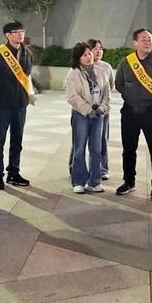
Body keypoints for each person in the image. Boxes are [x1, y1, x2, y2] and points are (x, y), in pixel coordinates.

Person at [114, 27, 152, 199]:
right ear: (135, 43)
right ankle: (129, 181)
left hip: (151, 112)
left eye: (150, 39)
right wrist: (131, 96)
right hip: (129, 112)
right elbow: (119, 84)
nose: (148, 42)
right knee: (128, 149)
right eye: (144, 39)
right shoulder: (126, 62)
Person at [0, 21, 33, 189]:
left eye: (22, 30)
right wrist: (0, 97)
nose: (20, 34)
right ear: (7, 35)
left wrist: (26, 97)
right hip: (2, 106)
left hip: (20, 105)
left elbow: (27, 76)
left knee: (17, 141)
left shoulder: (27, 53)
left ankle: (14, 172)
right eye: (16, 31)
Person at [64, 41, 110, 193]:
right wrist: (87, 110)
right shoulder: (73, 74)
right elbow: (72, 97)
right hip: (81, 115)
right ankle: (78, 181)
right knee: (79, 148)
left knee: (96, 149)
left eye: (89, 53)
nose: (89, 56)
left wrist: (102, 108)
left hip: (98, 115)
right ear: (78, 58)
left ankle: (94, 181)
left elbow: (106, 93)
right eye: (85, 55)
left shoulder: (100, 71)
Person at [86, 39, 114, 179]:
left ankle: (102, 169)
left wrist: (102, 106)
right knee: (79, 141)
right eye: (95, 48)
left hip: (102, 110)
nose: (98, 51)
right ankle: (74, 167)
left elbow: (110, 87)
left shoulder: (106, 67)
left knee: (102, 139)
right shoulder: (81, 67)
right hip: (84, 111)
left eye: (101, 48)